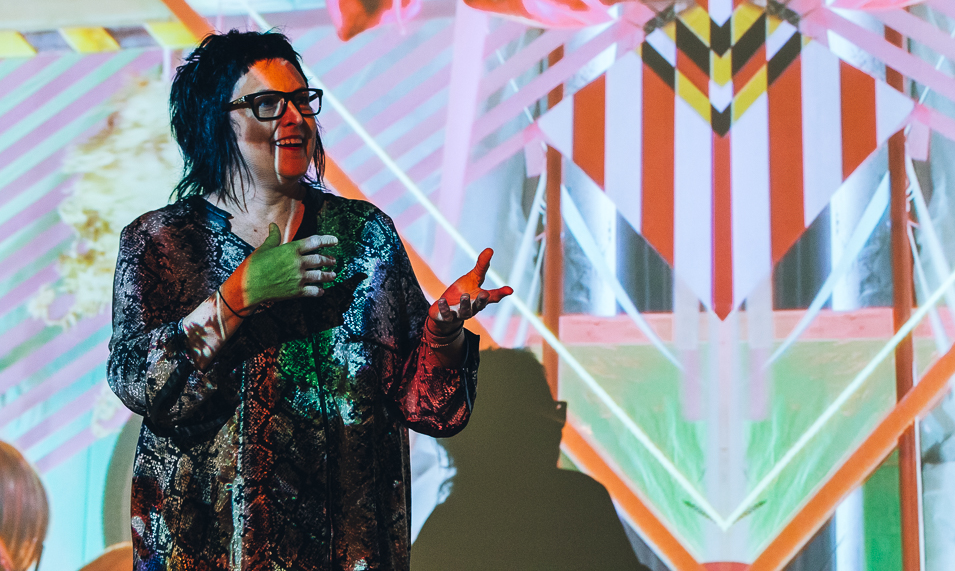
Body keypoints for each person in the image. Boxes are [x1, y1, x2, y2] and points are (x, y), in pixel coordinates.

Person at [107, 30, 511, 570]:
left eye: (302, 100)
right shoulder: (162, 243)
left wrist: (442, 334)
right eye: (269, 103)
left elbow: (428, 408)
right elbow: (140, 381)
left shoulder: (363, 236)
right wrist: (241, 294)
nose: (295, 117)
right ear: (214, 121)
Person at [412, 349, 648, 571]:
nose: (557, 429)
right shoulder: (581, 506)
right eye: (548, 416)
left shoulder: (442, 537)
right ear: (516, 431)